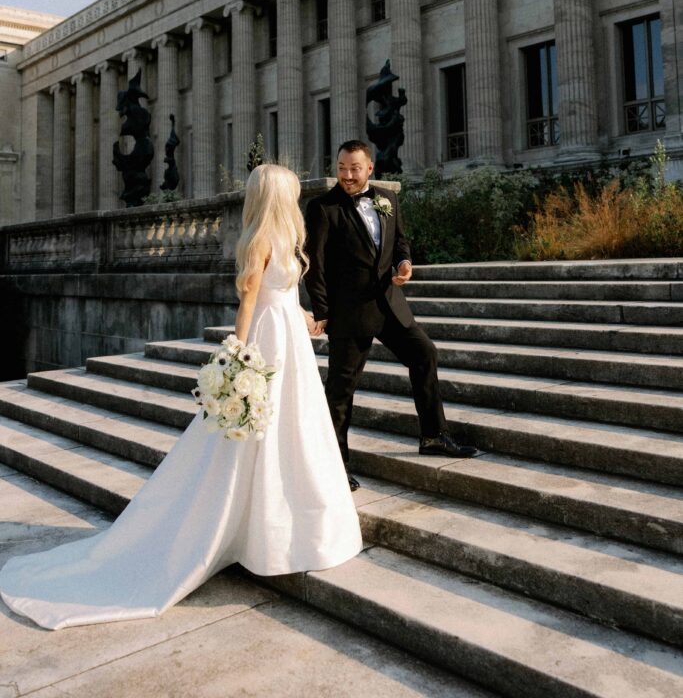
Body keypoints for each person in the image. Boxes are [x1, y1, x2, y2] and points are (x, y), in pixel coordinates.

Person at [0, 164, 362, 630]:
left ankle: (291, 525)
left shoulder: (289, 240)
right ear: (278, 197)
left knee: (296, 428)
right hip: (267, 342)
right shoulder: (259, 242)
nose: (294, 200)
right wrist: (239, 358)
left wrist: (308, 320)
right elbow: (248, 304)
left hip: (291, 336)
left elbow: (287, 297)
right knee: (259, 432)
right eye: (289, 192)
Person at [305, 140, 477, 491]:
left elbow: (400, 241)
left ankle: (433, 437)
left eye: (354, 168)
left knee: (424, 353)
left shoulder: (388, 198)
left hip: (389, 305)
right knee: (341, 391)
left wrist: (405, 263)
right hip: (349, 313)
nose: (347, 175)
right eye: (341, 167)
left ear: (370, 168)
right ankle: (336, 466)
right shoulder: (322, 208)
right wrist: (321, 310)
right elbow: (315, 265)